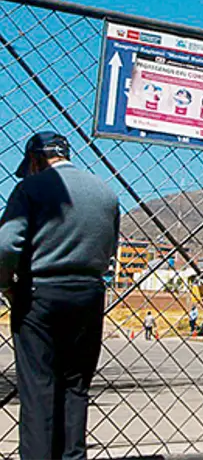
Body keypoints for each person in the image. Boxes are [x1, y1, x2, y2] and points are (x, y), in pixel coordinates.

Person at [0, 131, 120, 460]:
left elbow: (5, 246)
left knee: (39, 388)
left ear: (35, 159)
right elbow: (110, 248)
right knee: (76, 386)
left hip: (40, 292)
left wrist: (6, 284)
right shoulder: (106, 192)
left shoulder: (30, 188)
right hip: (88, 294)